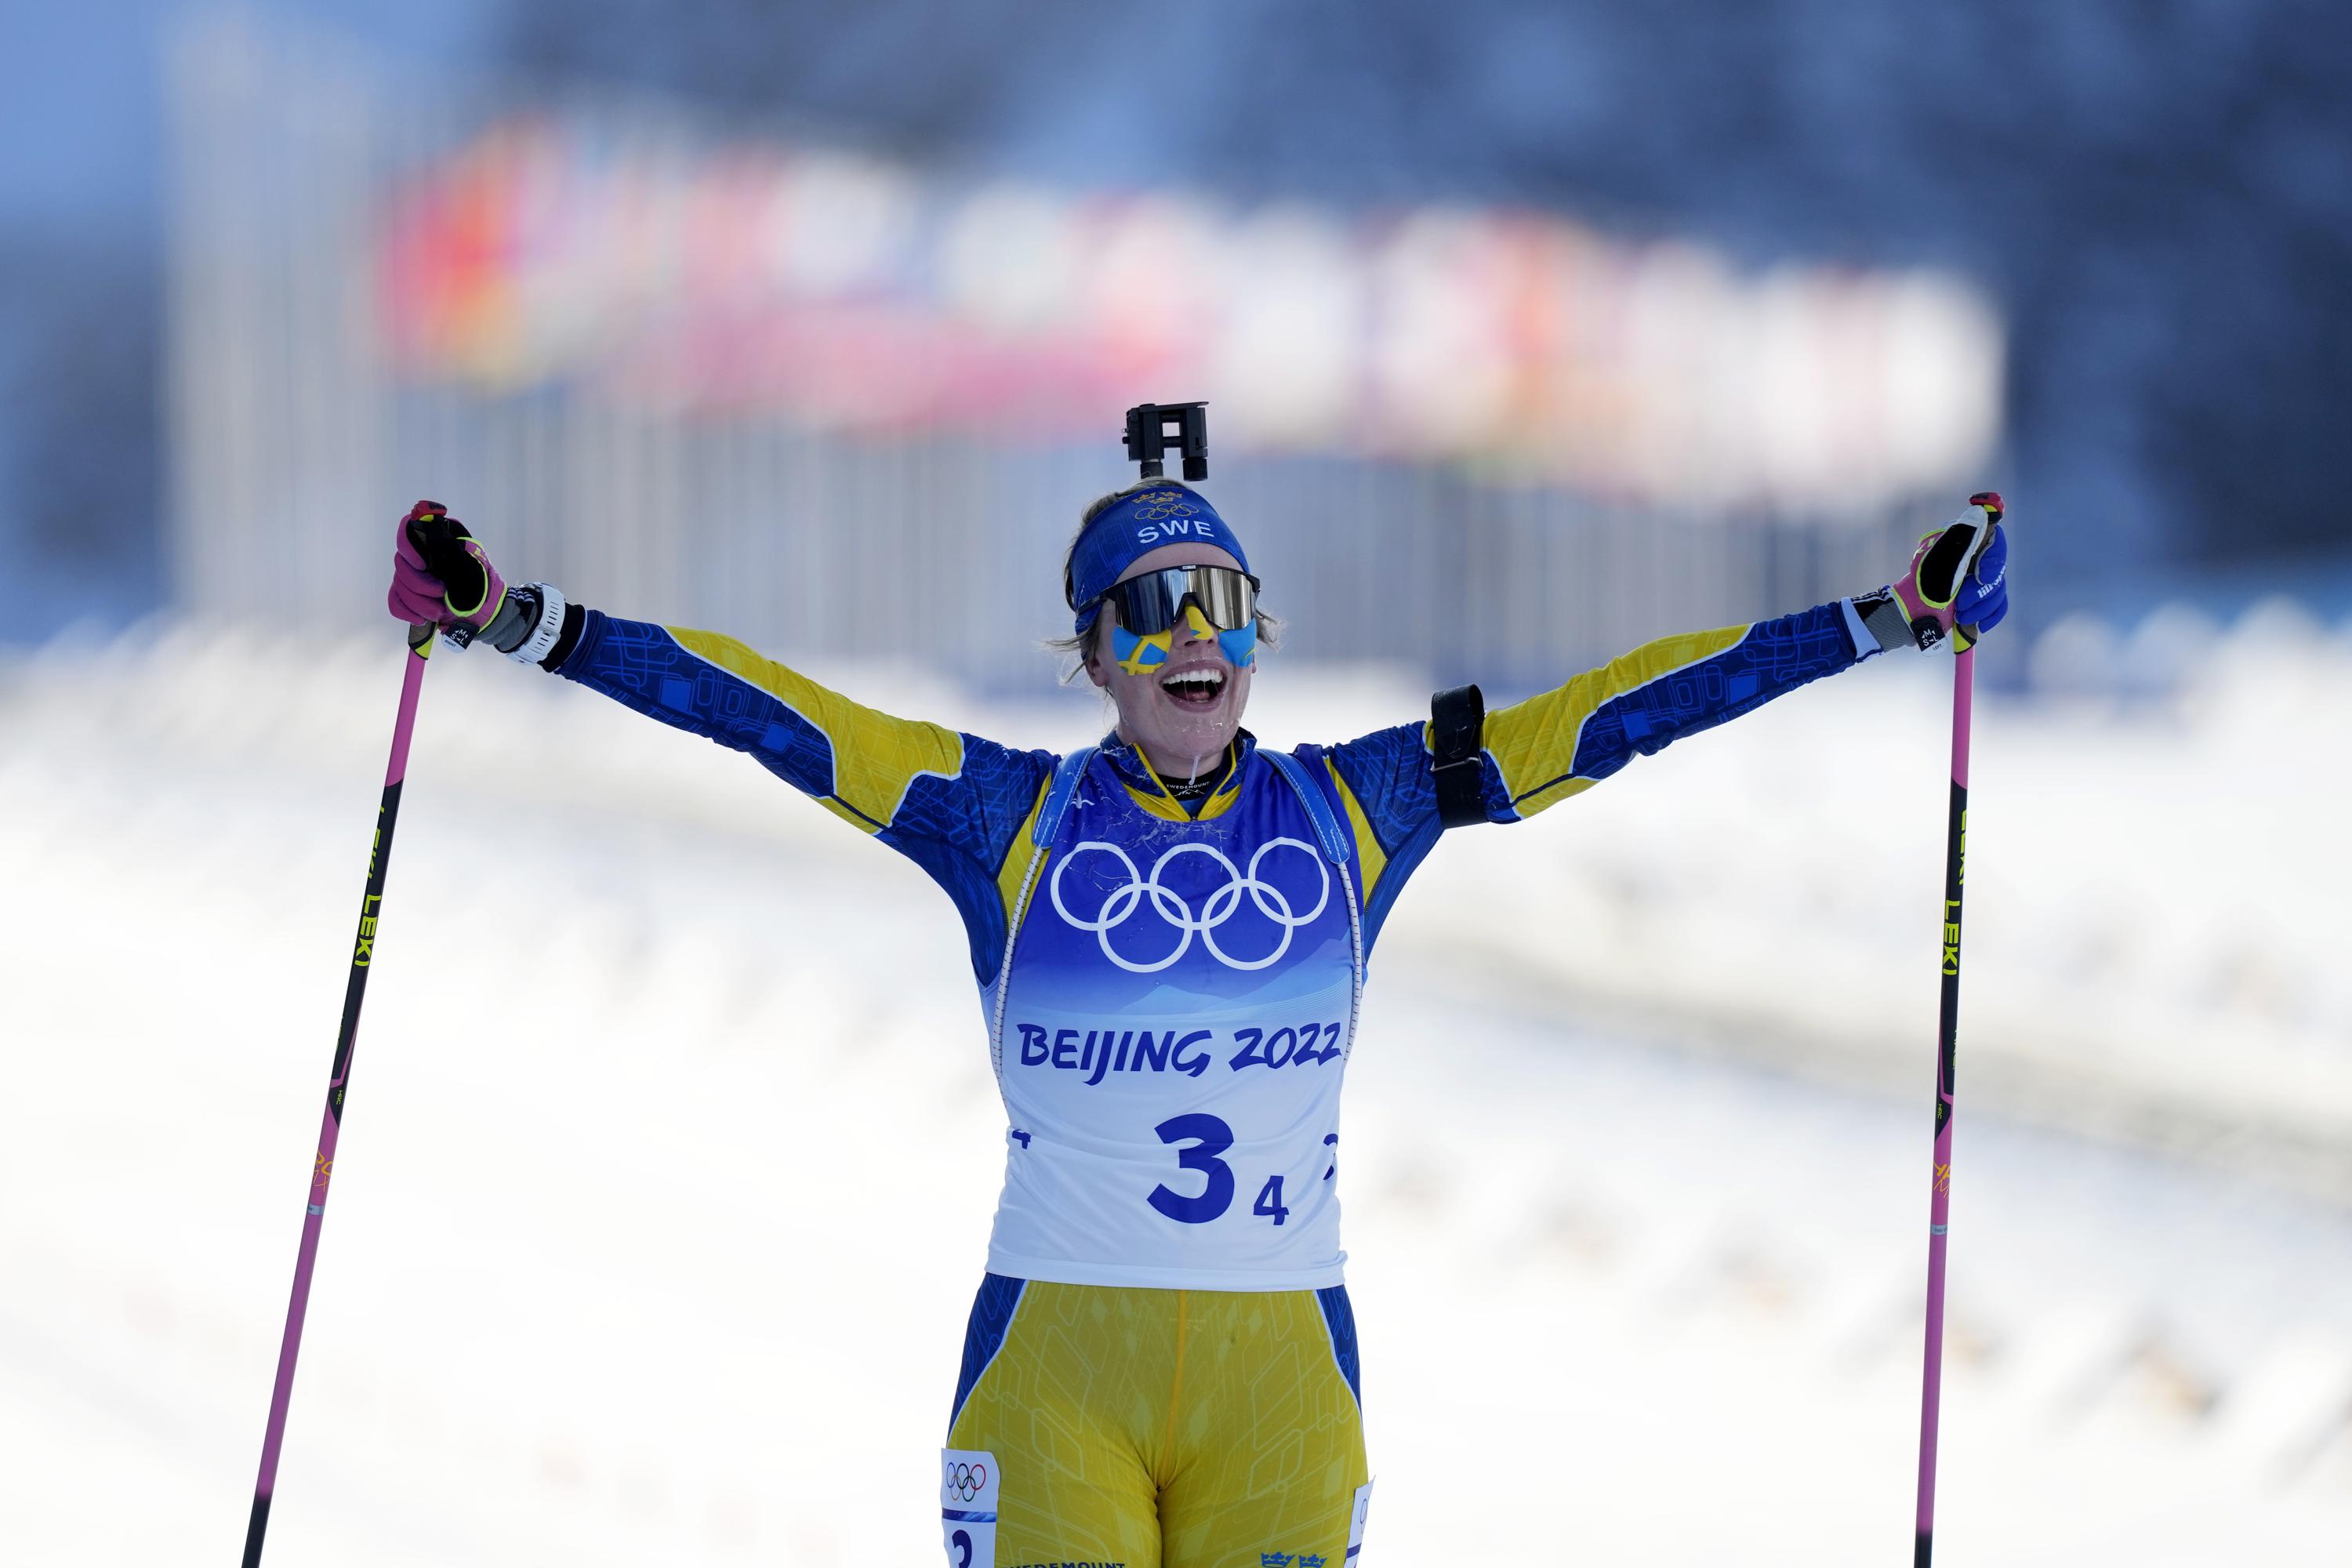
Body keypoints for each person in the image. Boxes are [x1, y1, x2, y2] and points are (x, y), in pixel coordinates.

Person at [387, 474, 2009, 1568]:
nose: (1191, 639)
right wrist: (518, 616)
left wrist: (1876, 617)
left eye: (1220, 601)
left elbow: (1611, 712)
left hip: (1281, 1380)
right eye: (1147, 608)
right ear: (1089, 652)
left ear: (1257, 634)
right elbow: (768, 709)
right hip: (1057, 1379)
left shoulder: (1357, 809)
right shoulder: (997, 817)